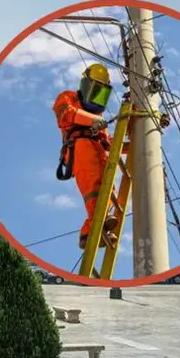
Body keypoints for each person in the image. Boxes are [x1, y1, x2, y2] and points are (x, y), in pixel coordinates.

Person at [53, 63, 122, 250]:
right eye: (95, 90)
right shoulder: (68, 97)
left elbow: (109, 142)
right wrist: (91, 120)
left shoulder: (98, 116)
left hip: (97, 148)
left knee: (108, 188)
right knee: (94, 184)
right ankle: (97, 225)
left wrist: (135, 143)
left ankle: (90, 231)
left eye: (101, 93)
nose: (96, 97)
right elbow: (66, 114)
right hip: (79, 146)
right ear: (86, 85)